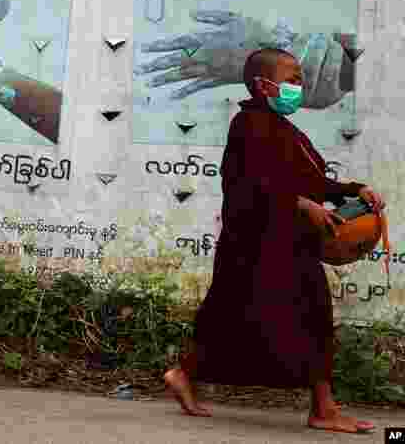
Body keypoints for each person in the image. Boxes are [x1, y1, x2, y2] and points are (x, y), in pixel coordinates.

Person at [163, 48, 386, 434]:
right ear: (264, 85)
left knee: (313, 313)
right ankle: (184, 373)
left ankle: (323, 407)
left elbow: (315, 183)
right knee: (230, 316)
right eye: (293, 79)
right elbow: (249, 186)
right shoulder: (247, 125)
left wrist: (355, 190)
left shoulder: (289, 132)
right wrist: (301, 205)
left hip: (290, 240)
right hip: (252, 244)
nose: (301, 87)